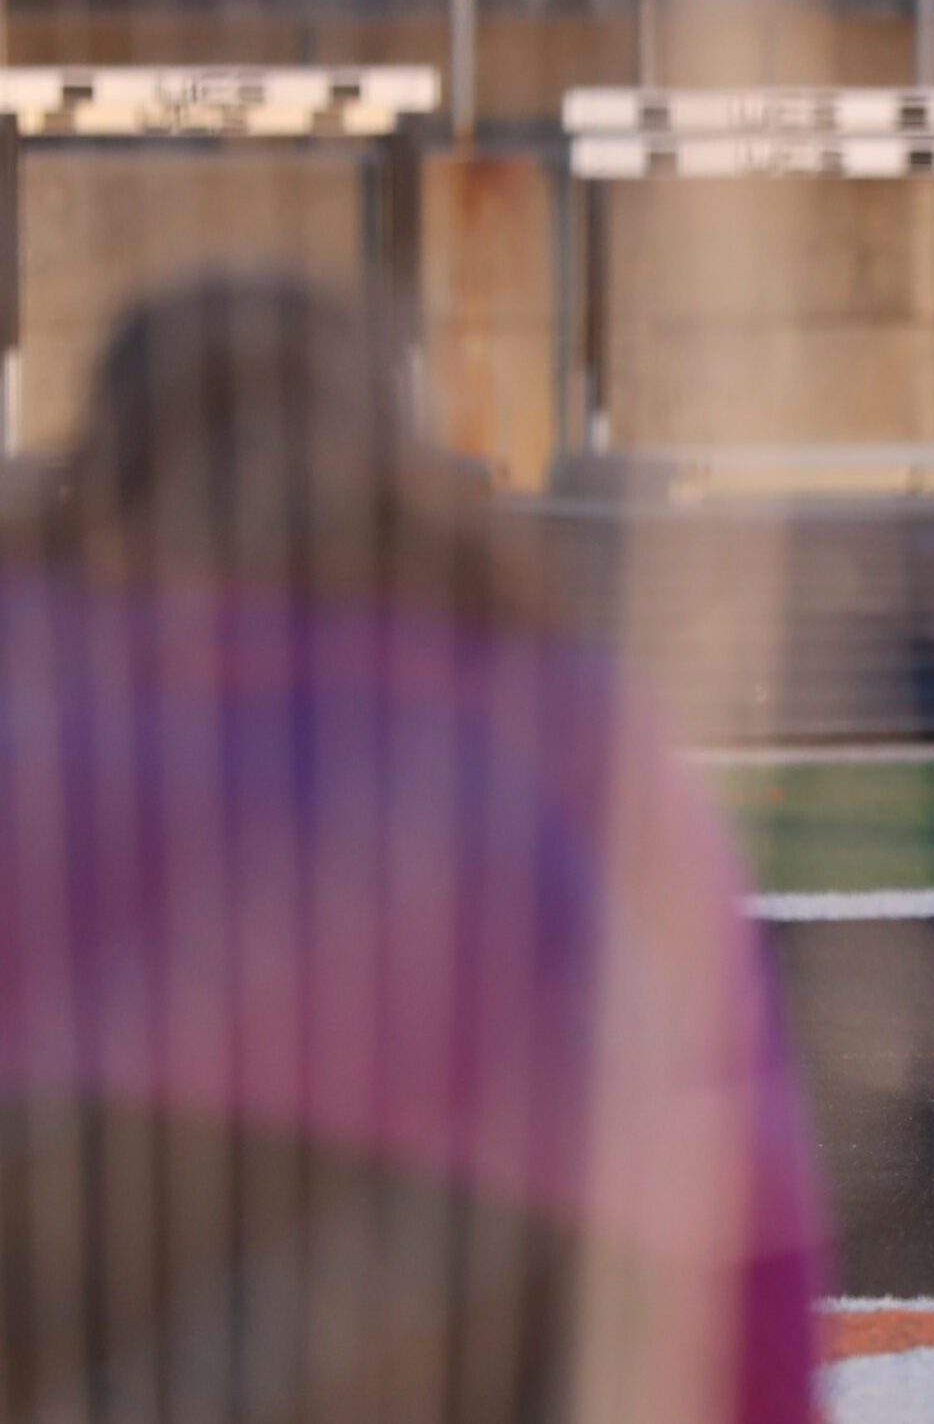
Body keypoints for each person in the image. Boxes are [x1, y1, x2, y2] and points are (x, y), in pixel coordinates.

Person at [0, 273, 825, 1424]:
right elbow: (735, 1193)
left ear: (105, 467)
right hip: (492, 1302)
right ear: (391, 469)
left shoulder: (36, 709)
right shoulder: (563, 723)